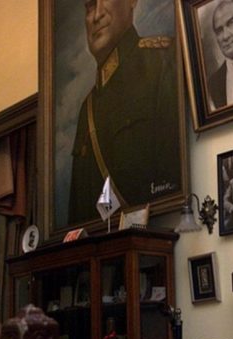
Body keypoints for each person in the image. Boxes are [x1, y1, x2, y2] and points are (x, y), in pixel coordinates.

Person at [68, 0, 182, 225]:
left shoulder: (162, 62)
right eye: (90, 6)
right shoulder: (87, 109)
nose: (96, 15)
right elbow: (81, 216)